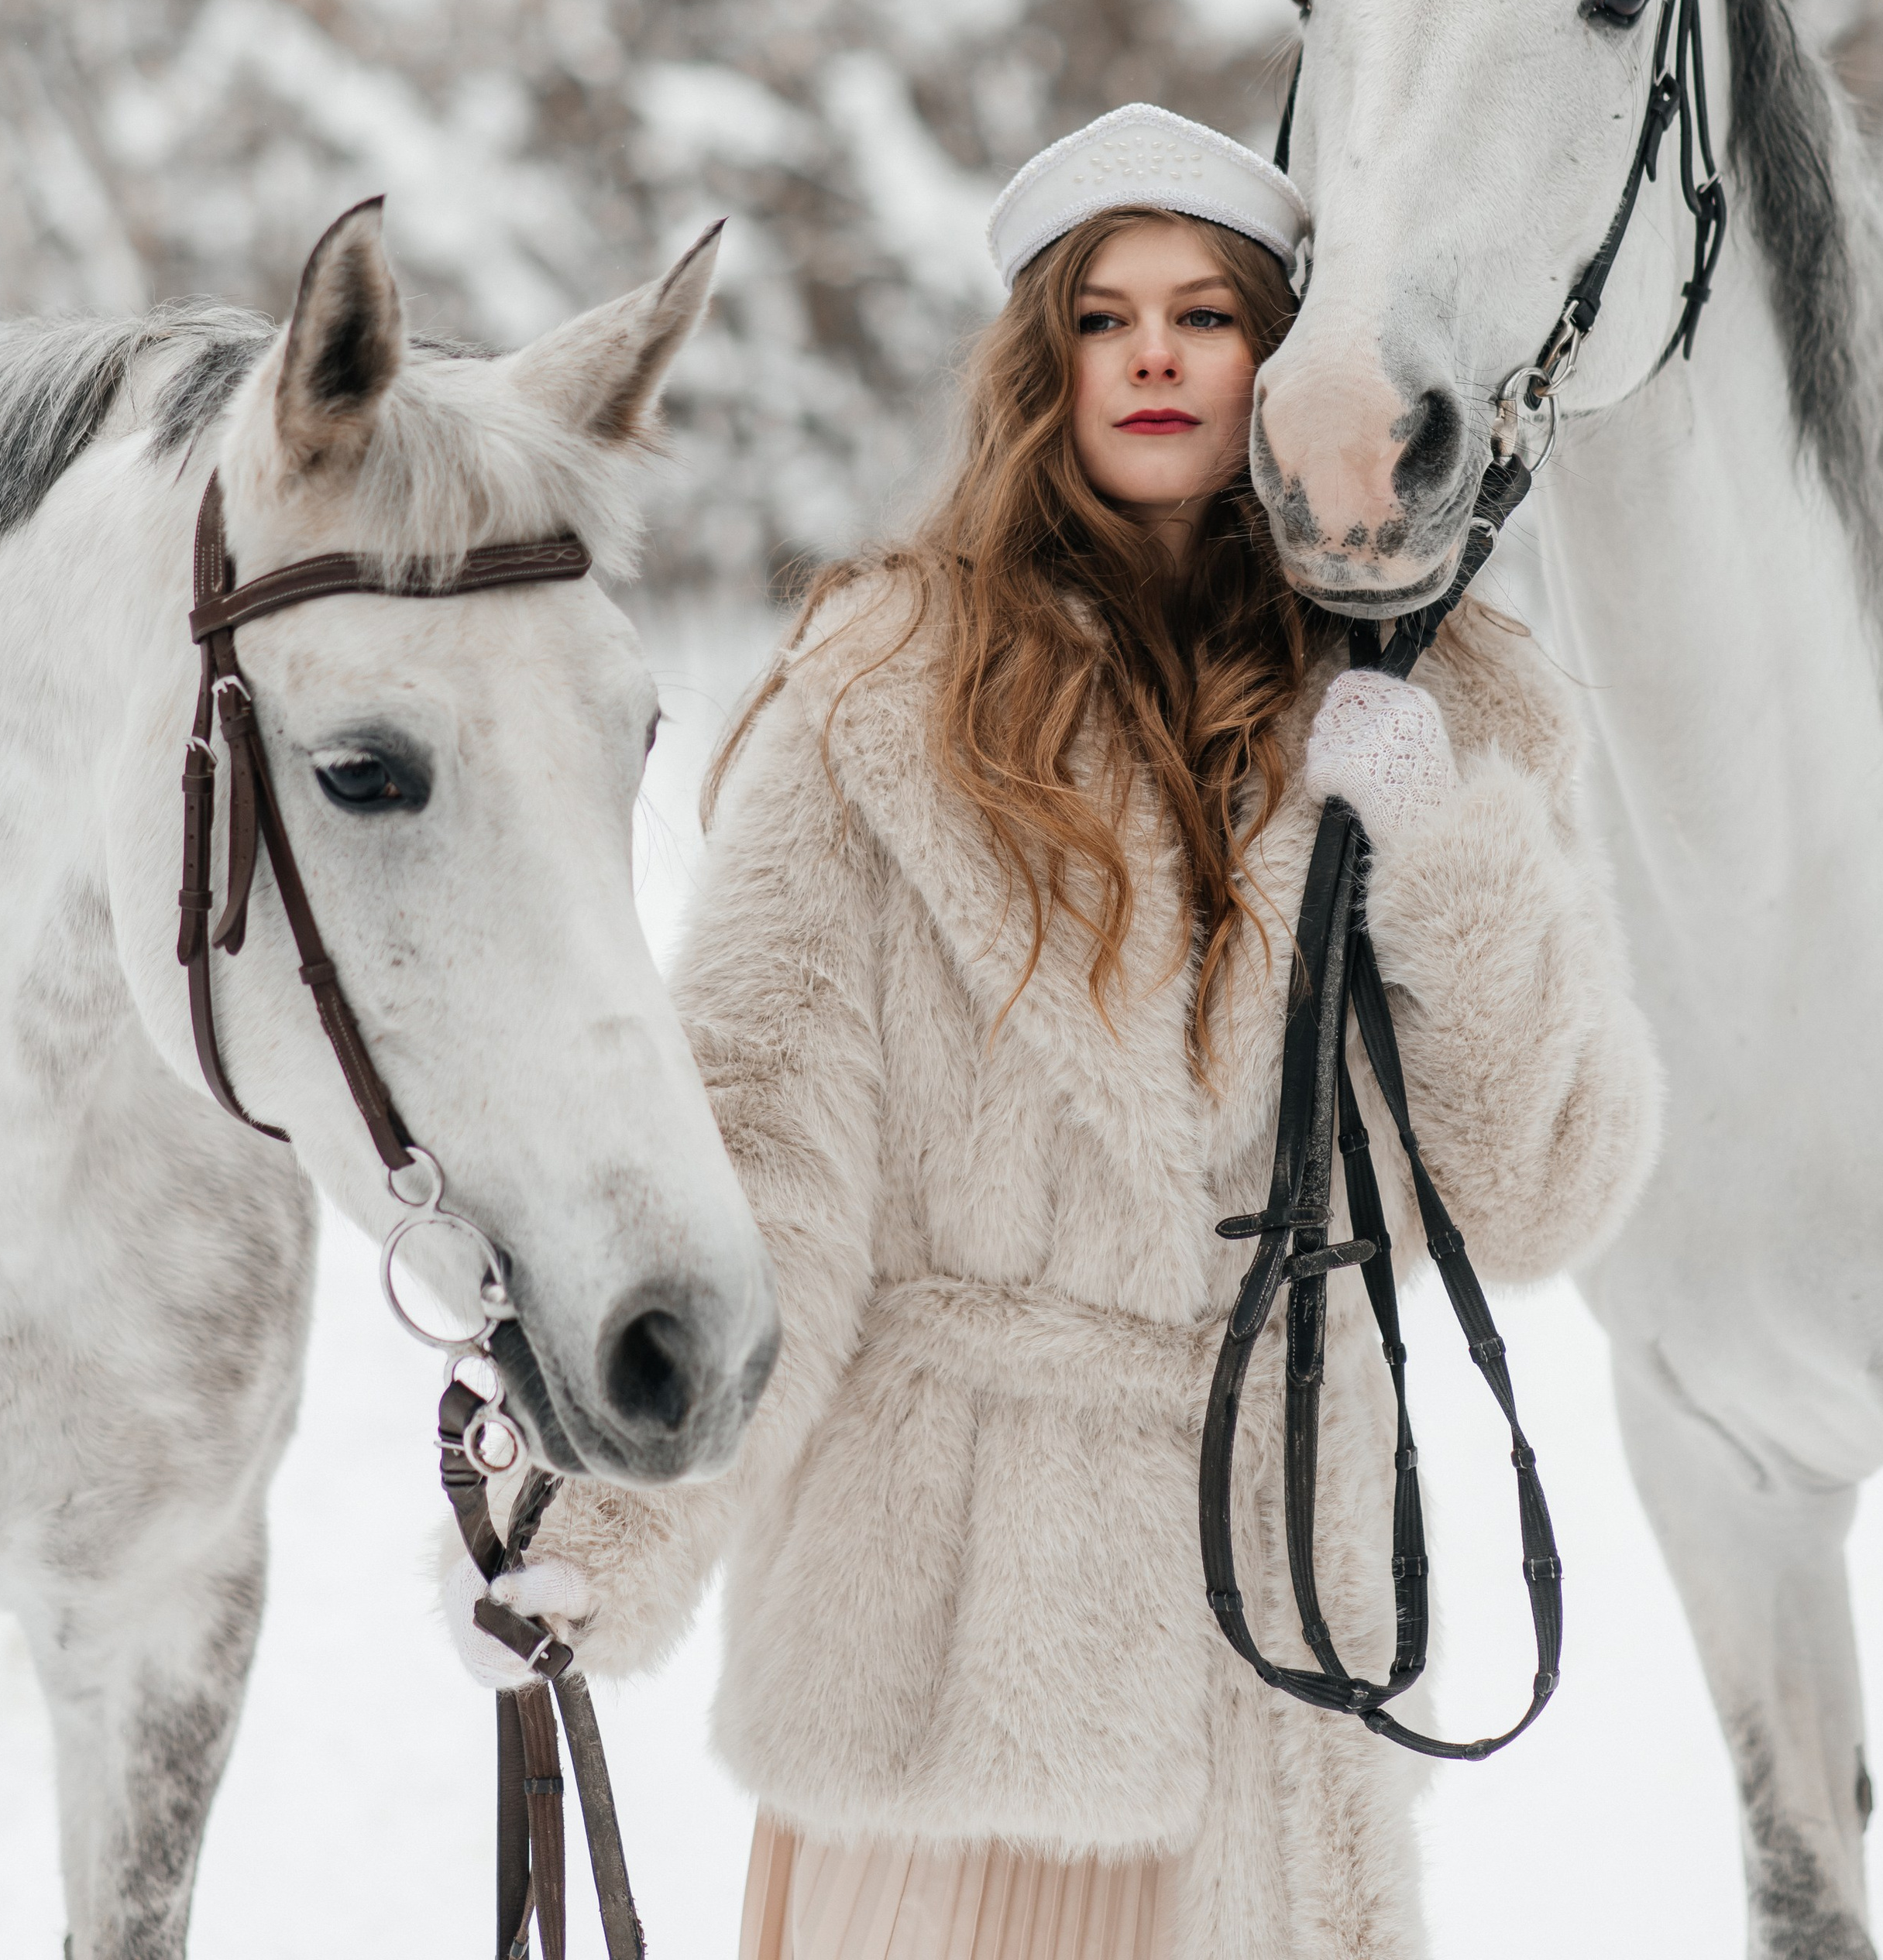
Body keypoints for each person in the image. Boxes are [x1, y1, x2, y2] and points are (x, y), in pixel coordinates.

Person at [447, 104, 1661, 1960]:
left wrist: (1438, 851)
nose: (1153, 356)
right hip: (950, 1659)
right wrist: (600, 1529)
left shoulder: (1444, 706)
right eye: (1104, 319)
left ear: (1277, 358)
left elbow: (1537, 1187)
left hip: (1274, 1646)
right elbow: (764, 1167)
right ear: (1045, 364)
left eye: (1204, 315)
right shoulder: (881, 695)